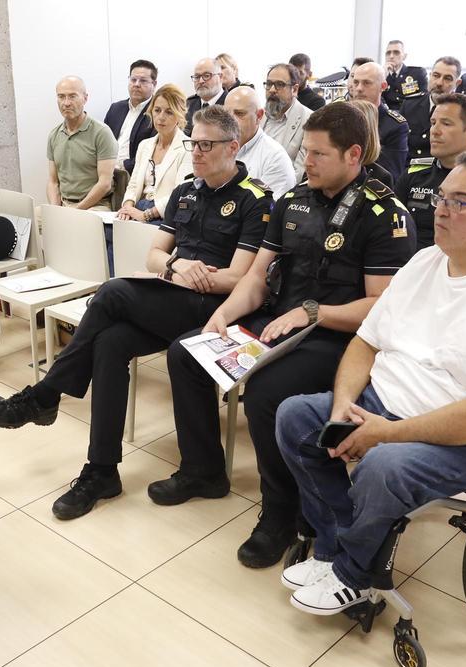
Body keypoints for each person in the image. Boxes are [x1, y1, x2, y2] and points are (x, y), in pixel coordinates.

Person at [275, 150, 466, 615]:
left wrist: (384, 434)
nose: (440, 209)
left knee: (385, 468)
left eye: (460, 202)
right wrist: (342, 407)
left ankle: (354, 572)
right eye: (442, 197)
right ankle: (335, 546)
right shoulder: (425, 262)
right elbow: (365, 342)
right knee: (296, 417)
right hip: (395, 401)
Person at [150, 102, 415, 569]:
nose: (305, 161)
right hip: (280, 320)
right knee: (186, 353)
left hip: (340, 336)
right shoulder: (294, 200)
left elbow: (381, 308)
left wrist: (314, 312)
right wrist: (224, 315)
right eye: (305, 151)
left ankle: (281, 512)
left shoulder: (382, 212)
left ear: (354, 155)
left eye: (317, 154)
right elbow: (256, 278)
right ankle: (203, 470)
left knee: (267, 392)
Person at [0, 106, 271, 520]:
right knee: (110, 342)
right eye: (193, 144)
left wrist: (184, 273)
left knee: (113, 292)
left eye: (206, 145)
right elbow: (154, 256)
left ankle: (45, 394)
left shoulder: (254, 200)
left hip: (218, 312)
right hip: (176, 296)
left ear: (233, 147)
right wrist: (176, 266)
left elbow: (239, 278)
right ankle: (102, 472)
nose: (197, 153)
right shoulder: (187, 192)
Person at [398, 93, 466, 249]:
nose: (434, 131)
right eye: (433, 123)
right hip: (411, 264)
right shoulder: (413, 175)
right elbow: (393, 231)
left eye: (446, 124)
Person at [116, 84, 193, 223]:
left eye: (169, 112)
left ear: (179, 115)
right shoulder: (144, 145)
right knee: (110, 232)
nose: (161, 117)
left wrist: (147, 214)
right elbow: (133, 185)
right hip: (139, 206)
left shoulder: (188, 148)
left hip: (165, 213)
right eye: (157, 110)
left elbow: (182, 193)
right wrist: (127, 207)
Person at [48, 76, 117, 211]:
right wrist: (55, 210)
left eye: (72, 96)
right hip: (65, 205)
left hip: (95, 205)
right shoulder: (54, 135)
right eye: (61, 97)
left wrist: (77, 211)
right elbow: (52, 182)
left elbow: (105, 184)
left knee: (81, 227)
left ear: (85, 98)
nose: (66, 103)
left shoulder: (101, 133)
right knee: (27, 223)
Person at [224, 86, 298, 197]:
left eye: (239, 114)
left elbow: (269, 210)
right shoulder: (217, 147)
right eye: (226, 114)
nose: (231, 121)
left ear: (259, 116)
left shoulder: (275, 158)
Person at [348, 61, 410, 182]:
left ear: (383, 86)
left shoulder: (395, 126)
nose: (359, 88)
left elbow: (388, 175)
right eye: (356, 82)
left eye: (367, 83)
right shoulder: (340, 117)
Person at [400, 56, 461, 160]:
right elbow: (399, 145)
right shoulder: (410, 105)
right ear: (430, 76)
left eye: (447, 78)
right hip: (408, 168)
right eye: (436, 76)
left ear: (457, 83)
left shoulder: (461, 111)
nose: (439, 83)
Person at [104, 59, 158, 173]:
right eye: (133, 79)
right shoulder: (115, 108)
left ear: (154, 84)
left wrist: (120, 166)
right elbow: (102, 142)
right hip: (105, 169)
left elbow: (154, 152)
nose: (137, 84)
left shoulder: (158, 112)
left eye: (143, 81)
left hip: (134, 173)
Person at [263, 63, 314, 176]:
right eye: (269, 84)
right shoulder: (259, 116)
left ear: (294, 89)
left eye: (279, 85)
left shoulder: (309, 121)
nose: (272, 90)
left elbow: (299, 172)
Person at [185, 57, 228, 136]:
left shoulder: (230, 104)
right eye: (197, 77)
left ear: (220, 77)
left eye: (207, 75)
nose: (201, 81)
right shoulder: (188, 105)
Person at [383, 40, 427, 109]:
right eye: (388, 53)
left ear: (404, 56)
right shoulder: (381, 76)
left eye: (396, 53)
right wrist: (383, 75)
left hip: (410, 115)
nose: (391, 56)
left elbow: (424, 99)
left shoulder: (416, 73)